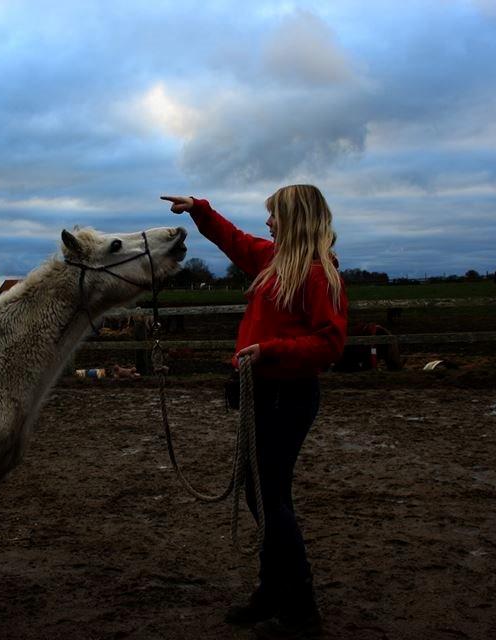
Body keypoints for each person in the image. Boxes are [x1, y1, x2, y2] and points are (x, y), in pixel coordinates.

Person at [161, 185, 348, 639]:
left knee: (268, 496)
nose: (267, 224)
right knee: (262, 494)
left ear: (295, 219)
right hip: (264, 392)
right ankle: (273, 590)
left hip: (287, 394)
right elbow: (234, 239)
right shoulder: (273, 262)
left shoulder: (317, 276)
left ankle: (299, 600)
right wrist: (200, 211)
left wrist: (268, 351)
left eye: (274, 216)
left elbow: (330, 343)